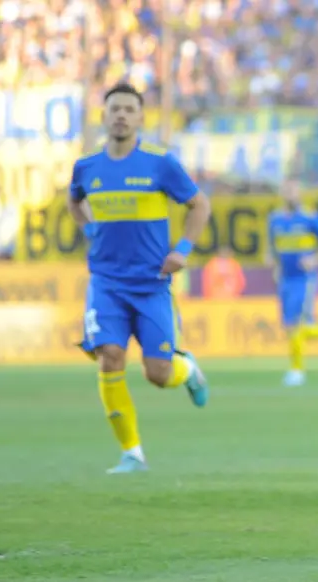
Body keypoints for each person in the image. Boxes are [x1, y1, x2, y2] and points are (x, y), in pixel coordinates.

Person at [68, 82, 212, 475]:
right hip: (106, 283)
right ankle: (132, 452)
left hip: (151, 285)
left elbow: (200, 204)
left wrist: (182, 249)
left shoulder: (159, 164)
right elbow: (74, 200)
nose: (121, 115)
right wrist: (90, 228)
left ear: (140, 117)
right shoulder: (86, 167)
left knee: (159, 374)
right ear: (104, 115)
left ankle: (189, 370)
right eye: (114, 108)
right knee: (110, 356)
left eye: (129, 109)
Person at [266, 178, 318, 387]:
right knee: (289, 326)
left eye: (294, 191)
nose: (290, 195)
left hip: (304, 279)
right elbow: (272, 247)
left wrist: (315, 259)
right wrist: (274, 264)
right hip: (285, 278)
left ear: (299, 193)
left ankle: (297, 371)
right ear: (282, 193)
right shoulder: (275, 219)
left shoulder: (310, 217)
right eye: (287, 191)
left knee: (296, 325)